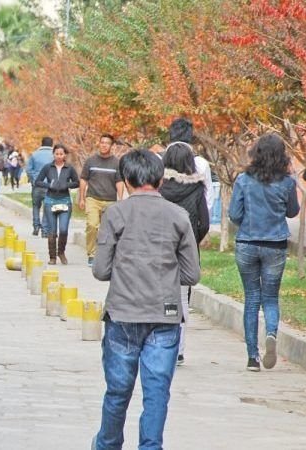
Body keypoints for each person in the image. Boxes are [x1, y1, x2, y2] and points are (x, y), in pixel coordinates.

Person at [91, 149, 200, 450]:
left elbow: (100, 270)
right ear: (161, 179)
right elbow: (191, 273)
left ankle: (107, 445)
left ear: (125, 179)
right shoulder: (179, 216)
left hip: (123, 314)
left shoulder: (116, 214)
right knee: (156, 394)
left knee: (117, 392)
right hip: (164, 318)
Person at [228, 133, 299, 372]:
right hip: (275, 245)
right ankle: (270, 333)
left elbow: (235, 215)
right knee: (270, 297)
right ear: (282, 156)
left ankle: (252, 357)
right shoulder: (287, 182)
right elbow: (292, 212)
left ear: (256, 153)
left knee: (251, 299)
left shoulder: (243, 180)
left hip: (247, 243)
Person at [159, 143, 210, 366]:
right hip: (186, 251)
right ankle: (178, 350)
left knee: (158, 296)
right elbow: (205, 223)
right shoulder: (198, 188)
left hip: (159, 250)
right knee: (181, 299)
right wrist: (192, 242)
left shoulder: (158, 188)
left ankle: (159, 342)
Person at [79, 134, 124, 267]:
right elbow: (83, 179)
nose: (104, 145)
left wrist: (120, 200)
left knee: (108, 230)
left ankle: (105, 255)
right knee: (92, 225)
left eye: (107, 143)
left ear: (112, 146)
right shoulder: (91, 161)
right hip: (93, 198)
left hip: (110, 200)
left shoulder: (116, 163)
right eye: (102, 142)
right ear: (99, 144)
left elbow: (119, 182)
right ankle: (92, 255)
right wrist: (82, 198)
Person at [35, 144, 79, 265]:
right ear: (53, 154)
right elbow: (37, 181)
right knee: (52, 231)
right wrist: (49, 185)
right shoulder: (47, 167)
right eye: (57, 154)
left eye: (61, 154)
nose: (59, 156)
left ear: (65, 155)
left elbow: (77, 182)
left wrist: (67, 185)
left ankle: (61, 252)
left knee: (63, 229)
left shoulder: (69, 168)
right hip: (50, 201)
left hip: (65, 201)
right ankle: (52, 257)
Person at [25, 137, 55, 237]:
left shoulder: (34, 154)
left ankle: (36, 226)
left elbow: (28, 170)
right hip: (49, 186)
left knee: (36, 206)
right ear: (51, 144)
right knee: (47, 207)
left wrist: (33, 180)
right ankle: (44, 230)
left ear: (41, 144)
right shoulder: (55, 155)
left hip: (37, 185)